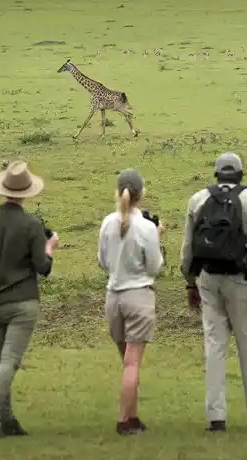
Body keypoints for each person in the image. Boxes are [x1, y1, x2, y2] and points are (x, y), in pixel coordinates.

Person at [179, 152, 247, 432]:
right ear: (240, 174)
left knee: (214, 346)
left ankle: (216, 418)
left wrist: (189, 282)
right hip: (244, 282)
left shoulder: (198, 199)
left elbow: (187, 249)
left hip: (208, 280)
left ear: (217, 174)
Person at [0, 160, 59, 439]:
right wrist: (50, 248)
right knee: (10, 361)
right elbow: (42, 268)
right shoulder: (32, 224)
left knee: (1, 362)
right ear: (26, 192)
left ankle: (7, 421)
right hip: (22, 302)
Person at [97, 169, 165, 435]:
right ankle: (125, 420)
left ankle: (133, 417)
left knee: (127, 362)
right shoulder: (146, 227)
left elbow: (102, 262)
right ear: (141, 194)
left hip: (113, 297)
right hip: (138, 296)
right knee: (132, 362)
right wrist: (157, 239)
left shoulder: (106, 223)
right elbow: (155, 267)